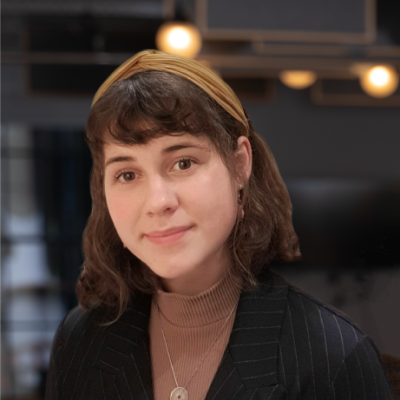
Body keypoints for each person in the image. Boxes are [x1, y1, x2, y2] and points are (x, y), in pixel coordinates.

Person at [45, 49, 393, 400]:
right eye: (127, 174)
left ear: (240, 164)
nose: (158, 202)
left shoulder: (333, 357)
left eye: (183, 162)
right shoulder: (80, 341)